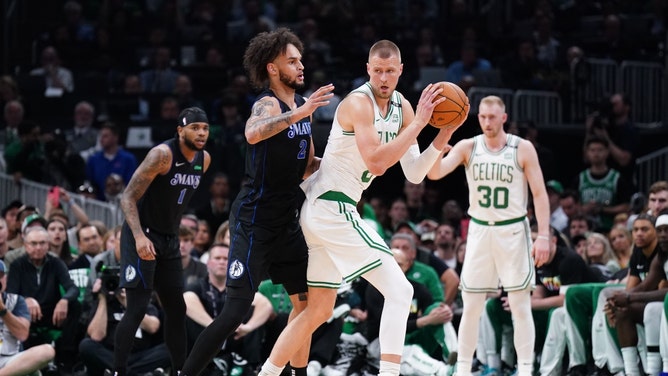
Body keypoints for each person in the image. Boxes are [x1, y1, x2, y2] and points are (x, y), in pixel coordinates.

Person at [257, 39, 465, 376]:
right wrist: (419, 124)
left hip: (330, 213)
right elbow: (378, 163)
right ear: (368, 70)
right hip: (331, 209)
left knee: (318, 311)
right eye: (378, 71)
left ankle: (265, 373)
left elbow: (414, 173)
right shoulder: (358, 103)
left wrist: (444, 132)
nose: (384, 78)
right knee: (401, 291)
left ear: (400, 71)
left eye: (390, 71)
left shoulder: (404, 108)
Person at [180, 28, 335, 376]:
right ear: (272, 68)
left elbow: (309, 167)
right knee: (234, 311)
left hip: (286, 220)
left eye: (300, 60)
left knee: (305, 304)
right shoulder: (268, 103)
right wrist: (301, 112)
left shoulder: (302, 110)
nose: (300, 67)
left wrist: (351, 162)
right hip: (254, 220)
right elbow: (252, 132)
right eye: (291, 61)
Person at [427, 95, 551, 376]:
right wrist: (437, 151)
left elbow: (540, 194)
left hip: (513, 230)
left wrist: (543, 235)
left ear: (504, 118)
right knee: (471, 305)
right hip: (480, 230)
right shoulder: (468, 146)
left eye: (492, 117)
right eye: (482, 117)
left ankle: (525, 369)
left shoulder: (522, 148)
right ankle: (462, 369)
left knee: (520, 306)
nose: (487, 122)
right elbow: (434, 174)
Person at [112, 107, 211, 376]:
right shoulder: (162, 155)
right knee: (138, 308)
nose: (201, 133)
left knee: (176, 308)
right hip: (141, 234)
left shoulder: (205, 159)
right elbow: (127, 198)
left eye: (204, 128)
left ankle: (180, 370)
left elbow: (174, 199)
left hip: (169, 239)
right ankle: (119, 370)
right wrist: (139, 237)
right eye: (195, 128)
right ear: (180, 131)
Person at [0, 259, 56, 375]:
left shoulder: (16, 301)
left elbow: (22, 334)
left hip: (11, 361)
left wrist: (2, 310)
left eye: (0, 276)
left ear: (5, 279)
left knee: (47, 351)